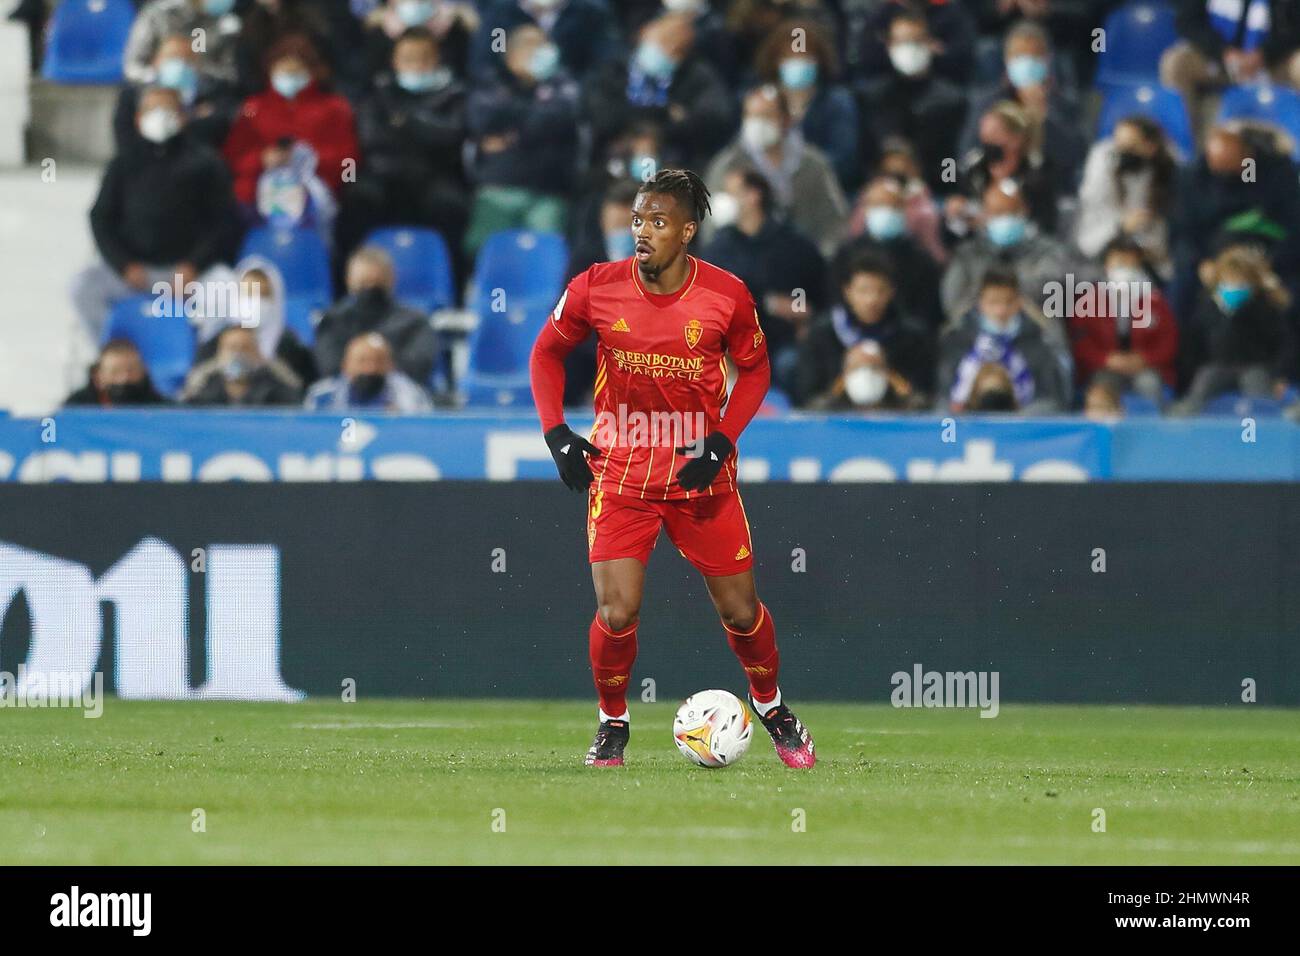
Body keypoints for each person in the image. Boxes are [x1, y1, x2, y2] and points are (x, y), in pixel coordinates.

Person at [528, 168, 816, 769]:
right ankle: (613, 723)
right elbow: (546, 352)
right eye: (637, 220)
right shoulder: (595, 287)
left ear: (686, 231)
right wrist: (556, 432)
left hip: (698, 474)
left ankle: (773, 707)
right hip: (622, 468)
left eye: (657, 222)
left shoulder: (725, 295)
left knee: (740, 610)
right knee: (617, 610)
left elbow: (756, 370)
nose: (642, 232)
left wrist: (720, 444)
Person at [72, 86, 243, 343]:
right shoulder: (123, 163)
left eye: (168, 109)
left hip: (189, 272)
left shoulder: (206, 162)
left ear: (183, 117)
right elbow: (100, 217)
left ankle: (200, 362)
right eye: (152, 110)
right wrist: (124, 265)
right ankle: (114, 358)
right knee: (82, 288)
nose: (160, 116)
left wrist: (194, 265)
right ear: (139, 119)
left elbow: (224, 222)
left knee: (229, 292)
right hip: (134, 273)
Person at [339, 27, 470, 270]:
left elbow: (451, 135)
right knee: (358, 199)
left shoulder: (455, 94)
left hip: (435, 176)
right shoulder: (378, 92)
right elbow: (372, 138)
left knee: (451, 206)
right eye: (409, 59)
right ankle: (355, 279)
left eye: (424, 58)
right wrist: (422, 129)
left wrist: (406, 121)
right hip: (386, 175)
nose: (417, 65)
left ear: (436, 58)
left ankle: (451, 286)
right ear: (395, 61)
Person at [700, 168, 826, 394]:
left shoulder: (794, 246)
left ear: (753, 195)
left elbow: (813, 296)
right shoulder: (717, 249)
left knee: (792, 365)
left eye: (731, 193)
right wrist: (769, 302)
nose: (722, 200)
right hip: (730, 347)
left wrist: (807, 317)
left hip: (781, 343)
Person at [463, 23, 581, 254]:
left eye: (545, 44)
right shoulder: (491, 82)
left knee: (546, 257)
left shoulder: (563, 84)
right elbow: (480, 120)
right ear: (512, 56)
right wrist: (534, 113)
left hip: (548, 190)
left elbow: (559, 119)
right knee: (485, 255)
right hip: (498, 186)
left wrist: (511, 134)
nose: (543, 51)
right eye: (533, 46)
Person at [705, 84, 847, 257]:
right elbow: (710, 226)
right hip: (743, 266)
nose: (757, 124)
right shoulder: (728, 165)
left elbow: (834, 220)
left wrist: (821, 258)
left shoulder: (813, 164)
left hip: (803, 264)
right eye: (751, 116)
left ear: (786, 120)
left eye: (766, 116)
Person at [221, 34, 359, 210]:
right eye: (283, 71)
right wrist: (262, 158)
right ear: (271, 72)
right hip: (257, 192)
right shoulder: (252, 109)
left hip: (319, 192)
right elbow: (233, 157)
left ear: (310, 72)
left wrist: (312, 158)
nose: (289, 77)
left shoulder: (335, 107)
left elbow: (350, 160)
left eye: (295, 72)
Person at [583, 12, 734, 171]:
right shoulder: (613, 69)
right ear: (644, 34)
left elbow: (715, 119)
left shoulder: (696, 76)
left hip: (673, 166)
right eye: (664, 42)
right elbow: (604, 117)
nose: (669, 51)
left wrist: (659, 135)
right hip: (610, 162)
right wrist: (664, 113)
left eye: (679, 50)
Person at [794, 252, 934, 408]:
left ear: (891, 292)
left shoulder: (911, 336)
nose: (871, 300)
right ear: (847, 291)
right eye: (863, 291)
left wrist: (886, 370)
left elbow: (924, 399)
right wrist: (846, 373)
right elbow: (808, 400)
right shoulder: (822, 334)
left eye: (880, 290)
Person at [855, 7, 968, 195]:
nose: (910, 48)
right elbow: (864, 155)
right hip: (881, 193)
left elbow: (952, 158)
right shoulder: (872, 99)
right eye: (902, 42)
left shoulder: (953, 101)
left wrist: (949, 191)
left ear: (931, 44)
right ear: (890, 46)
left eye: (917, 41)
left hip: (935, 192)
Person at [1171, 245, 1297, 414]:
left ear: (1252, 282)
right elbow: (1195, 344)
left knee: (1258, 392)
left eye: (1240, 279)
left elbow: (1282, 343)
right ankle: (1180, 424)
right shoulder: (1209, 306)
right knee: (1203, 383)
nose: (1234, 284)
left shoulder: (1266, 307)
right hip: (1219, 366)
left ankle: (1268, 426)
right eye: (1229, 278)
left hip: (1255, 366)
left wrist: (1280, 375)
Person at [938, 267, 1071, 413]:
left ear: (1019, 302)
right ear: (981, 303)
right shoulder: (957, 342)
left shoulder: (1039, 343)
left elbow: (1050, 400)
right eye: (993, 302)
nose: (1001, 311)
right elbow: (944, 396)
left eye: (1008, 302)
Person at [1069, 237, 1178, 406]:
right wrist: (1106, 359)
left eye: (1130, 264)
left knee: (1150, 384)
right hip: (1105, 367)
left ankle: (1154, 430)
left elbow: (1168, 342)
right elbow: (1080, 342)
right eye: (1119, 263)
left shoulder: (1155, 301)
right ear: (1107, 266)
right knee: (1101, 388)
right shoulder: (1089, 301)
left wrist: (1145, 359)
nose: (1125, 269)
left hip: (1144, 367)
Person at [753, 18, 860, 191]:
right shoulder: (760, 101)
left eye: (804, 57)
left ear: (819, 61)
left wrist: (802, 175)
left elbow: (844, 158)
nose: (797, 63)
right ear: (776, 61)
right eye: (789, 57)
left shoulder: (837, 102)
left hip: (825, 188)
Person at [314, 247, 440, 385]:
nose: (370, 291)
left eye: (376, 283)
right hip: (343, 402)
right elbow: (329, 368)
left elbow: (418, 368)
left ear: (391, 279)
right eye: (363, 283)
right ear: (349, 280)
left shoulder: (415, 322)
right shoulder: (333, 322)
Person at [834, 175, 944, 329]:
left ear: (904, 209)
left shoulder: (921, 260)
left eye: (894, 206)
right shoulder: (845, 255)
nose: (886, 211)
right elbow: (834, 302)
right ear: (865, 209)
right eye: (879, 205)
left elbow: (929, 313)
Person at [1075, 115, 1178, 278]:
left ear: (1149, 147)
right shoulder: (1103, 162)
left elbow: (1165, 234)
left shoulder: (1165, 172)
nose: (1121, 149)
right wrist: (1121, 226)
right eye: (1118, 142)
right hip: (1105, 246)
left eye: (1131, 145)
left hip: (1150, 255)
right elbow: (1093, 215)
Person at [114, 32, 241, 150]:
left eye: (186, 59)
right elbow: (125, 136)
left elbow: (221, 128)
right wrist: (193, 117)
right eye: (171, 57)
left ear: (197, 65)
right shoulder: (133, 95)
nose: (179, 64)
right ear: (155, 62)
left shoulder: (216, 92)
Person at [123, 0, 242, 88]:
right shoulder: (158, 14)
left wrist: (197, 71)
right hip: (156, 93)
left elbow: (230, 73)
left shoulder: (226, 25)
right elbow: (132, 67)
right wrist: (159, 75)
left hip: (205, 95)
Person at [305, 332, 433, 411]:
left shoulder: (410, 395)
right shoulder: (322, 396)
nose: (370, 369)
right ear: (345, 365)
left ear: (391, 366)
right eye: (362, 361)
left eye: (379, 361)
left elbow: (421, 432)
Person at [181, 326, 303, 406]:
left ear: (257, 354)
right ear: (219, 354)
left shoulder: (277, 392)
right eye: (232, 348)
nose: (237, 355)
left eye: (245, 348)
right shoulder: (204, 391)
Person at [64, 340, 170, 408]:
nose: (124, 378)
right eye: (115, 372)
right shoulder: (75, 408)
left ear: (144, 371)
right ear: (98, 377)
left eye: (131, 370)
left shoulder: (162, 409)